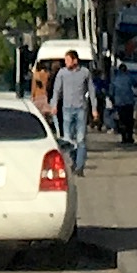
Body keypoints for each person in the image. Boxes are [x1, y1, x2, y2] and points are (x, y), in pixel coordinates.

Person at [49, 45, 90, 175]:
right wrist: (54, 105)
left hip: (81, 109)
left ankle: (80, 166)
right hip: (66, 109)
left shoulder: (85, 73)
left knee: (81, 139)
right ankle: (73, 159)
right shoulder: (62, 73)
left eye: (68, 60)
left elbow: (91, 91)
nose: (65, 62)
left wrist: (94, 108)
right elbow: (57, 90)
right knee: (68, 139)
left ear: (75, 61)